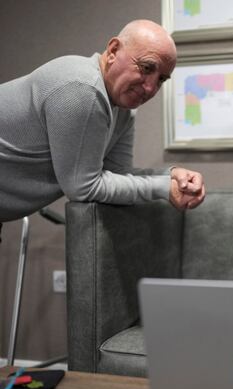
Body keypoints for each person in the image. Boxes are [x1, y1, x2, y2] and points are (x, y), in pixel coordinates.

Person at [0, 20, 206, 240]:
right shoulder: (82, 89)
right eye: (146, 68)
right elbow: (84, 187)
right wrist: (163, 188)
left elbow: (117, 175)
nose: (151, 88)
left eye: (161, 79)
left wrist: (172, 176)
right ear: (113, 50)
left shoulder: (123, 109)